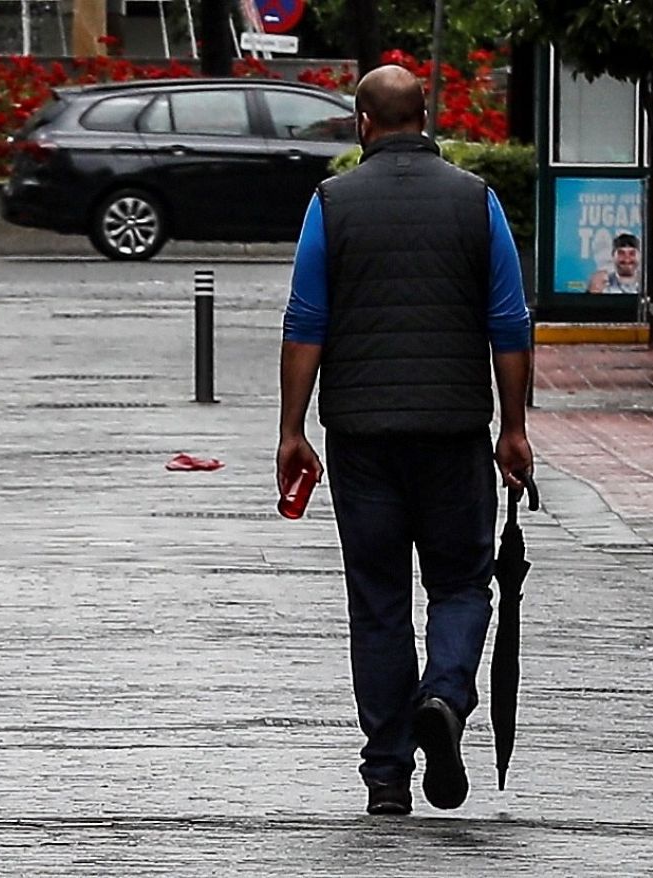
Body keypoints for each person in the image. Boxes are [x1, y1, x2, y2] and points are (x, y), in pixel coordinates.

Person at [277, 65, 533, 816]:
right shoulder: (476, 200)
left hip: (361, 437)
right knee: (460, 584)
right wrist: (512, 427)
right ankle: (446, 697)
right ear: (427, 118)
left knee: (379, 602)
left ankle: (387, 774)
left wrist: (292, 430)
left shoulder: (331, 204)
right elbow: (510, 323)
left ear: (362, 124)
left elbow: (305, 322)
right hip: (455, 433)